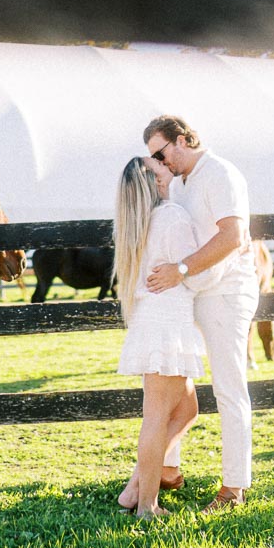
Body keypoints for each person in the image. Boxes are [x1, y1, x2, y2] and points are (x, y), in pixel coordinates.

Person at [143, 115, 258, 512]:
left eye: (160, 152)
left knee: (228, 386)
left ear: (184, 139)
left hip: (227, 293)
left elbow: (234, 236)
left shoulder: (220, 174)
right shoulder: (182, 183)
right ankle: (168, 469)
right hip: (194, 292)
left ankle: (234, 488)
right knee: (177, 382)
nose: (160, 162)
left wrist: (181, 269)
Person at [114, 156, 205, 518]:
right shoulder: (171, 217)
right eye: (161, 166)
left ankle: (136, 487)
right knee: (157, 416)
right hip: (168, 323)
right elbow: (193, 274)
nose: (169, 168)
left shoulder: (138, 224)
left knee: (186, 409)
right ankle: (147, 505)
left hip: (154, 321)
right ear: (154, 180)